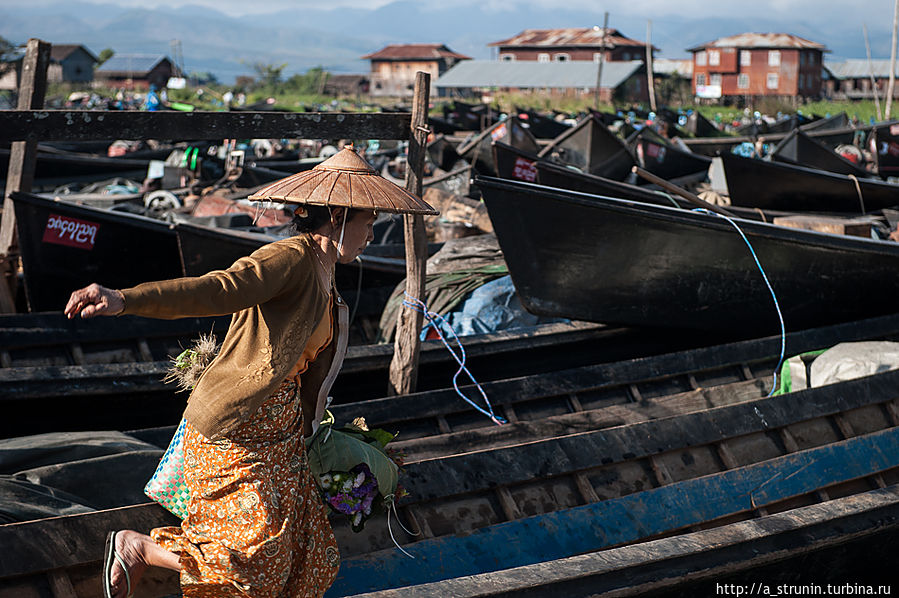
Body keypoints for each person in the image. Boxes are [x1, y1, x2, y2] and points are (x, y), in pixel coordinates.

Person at [65, 147, 437, 598]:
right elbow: (218, 289)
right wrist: (127, 299)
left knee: (312, 557)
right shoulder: (290, 258)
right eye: (368, 223)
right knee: (247, 568)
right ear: (338, 216)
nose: (372, 236)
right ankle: (139, 547)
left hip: (281, 435)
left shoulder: (327, 277)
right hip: (237, 429)